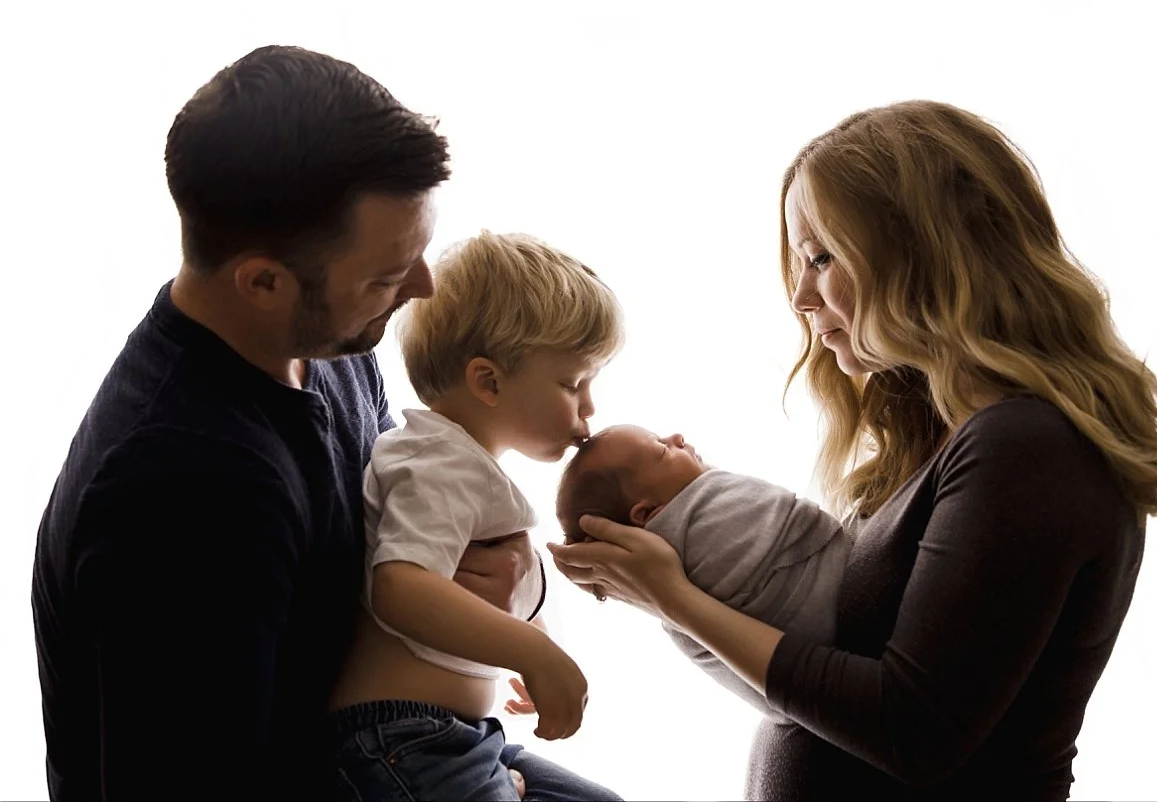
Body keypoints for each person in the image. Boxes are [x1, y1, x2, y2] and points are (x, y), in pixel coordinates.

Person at [548, 100, 1157, 800]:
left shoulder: (1027, 446)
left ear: (921, 252)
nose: (800, 294)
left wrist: (673, 598)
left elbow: (912, 730)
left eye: (820, 257)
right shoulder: (946, 443)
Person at [31, 46, 543, 801]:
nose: (423, 286)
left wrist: (493, 579)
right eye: (385, 274)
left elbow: (384, 555)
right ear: (262, 281)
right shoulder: (176, 487)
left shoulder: (327, 344)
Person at [327, 231, 624, 801]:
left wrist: (528, 633)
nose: (589, 408)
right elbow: (401, 587)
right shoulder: (437, 461)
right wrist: (533, 652)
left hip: (451, 736)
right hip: (403, 739)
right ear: (488, 380)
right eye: (573, 383)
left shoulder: (461, 461)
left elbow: (474, 587)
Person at [555, 424, 850, 722]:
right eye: (661, 449)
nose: (677, 438)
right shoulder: (698, 521)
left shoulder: (658, 579)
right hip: (829, 664)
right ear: (645, 514)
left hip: (811, 684)